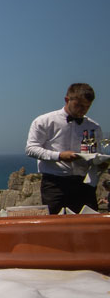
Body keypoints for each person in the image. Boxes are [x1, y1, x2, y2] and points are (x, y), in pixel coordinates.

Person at [26, 83, 105, 214]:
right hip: (55, 184)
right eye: (79, 105)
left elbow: (97, 153)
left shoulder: (93, 126)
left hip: (84, 184)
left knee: (88, 225)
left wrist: (101, 162)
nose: (83, 110)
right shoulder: (44, 121)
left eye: (87, 107)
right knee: (56, 226)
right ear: (67, 100)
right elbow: (31, 149)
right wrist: (59, 156)